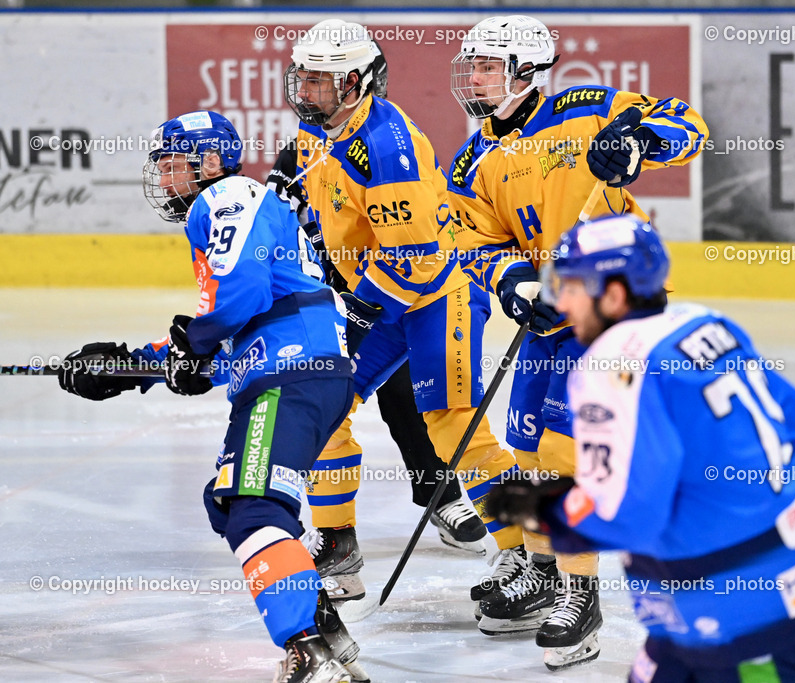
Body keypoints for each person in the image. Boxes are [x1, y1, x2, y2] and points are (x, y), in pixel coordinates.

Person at [57, 110, 368, 682]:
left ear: (208, 162)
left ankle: (308, 650)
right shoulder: (237, 204)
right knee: (228, 498)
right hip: (299, 367)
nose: (167, 179)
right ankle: (321, 624)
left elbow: (239, 298)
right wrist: (128, 366)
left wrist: (191, 341)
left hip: (290, 373)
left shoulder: (225, 196)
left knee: (253, 506)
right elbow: (236, 328)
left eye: (174, 165)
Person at [446, 13, 708, 669]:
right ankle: (540, 571)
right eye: (471, 65)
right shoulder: (472, 157)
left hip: (612, 306)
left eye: (487, 65)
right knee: (527, 441)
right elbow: (472, 239)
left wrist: (640, 144)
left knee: (565, 445)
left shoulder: (588, 108)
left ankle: (580, 592)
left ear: (525, 72)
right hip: (549, 311)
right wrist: (510, 282)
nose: (473, 77)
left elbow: (689, 127)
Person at [487, 214, 795, 681]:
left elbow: (630, 516)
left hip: (733, 619)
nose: (561, 300)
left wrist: (546, 512)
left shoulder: (609, 365)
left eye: (573, 286)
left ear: (614, 294)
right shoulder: (706, 322)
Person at [281, 19, 523, 604]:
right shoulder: (317, 134)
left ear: (359, 82)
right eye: (303, 79)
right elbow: (314, 194)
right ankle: (337, 544)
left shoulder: (390, 147)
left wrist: (357, 312)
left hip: (440, 292)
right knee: (322, 400)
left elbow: (413, 260)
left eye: (322, 81)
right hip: (382, 287)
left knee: (455, 424)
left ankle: (521, 552)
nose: (307, 93)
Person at [269, 133, 487, 558]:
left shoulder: (382, 150)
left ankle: (440, 494)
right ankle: (316, 522)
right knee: (319, 401)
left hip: (384, 292)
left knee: (410, 393)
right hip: (327, 297)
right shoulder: (299, 156)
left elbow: (413, 236)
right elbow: (274, 230)